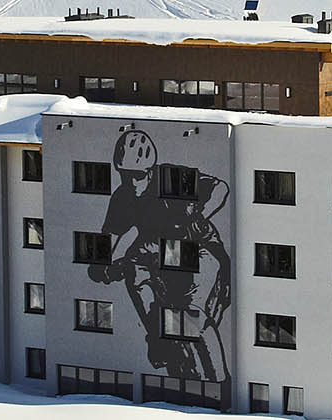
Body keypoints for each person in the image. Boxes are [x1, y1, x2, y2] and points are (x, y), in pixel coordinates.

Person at [88, 129, 231, 382]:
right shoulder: (123, 197)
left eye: (138, 176)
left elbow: (219, 188)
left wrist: (200, 216)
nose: (133, 183)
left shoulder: (169, 179)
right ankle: (157, 335)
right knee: (133, 270)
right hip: (158, 251)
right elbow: (111, 235)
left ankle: (219, 379)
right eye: (126, 175)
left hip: (196, 248)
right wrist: (100, 263)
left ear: (150, 171)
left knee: (189, 316)